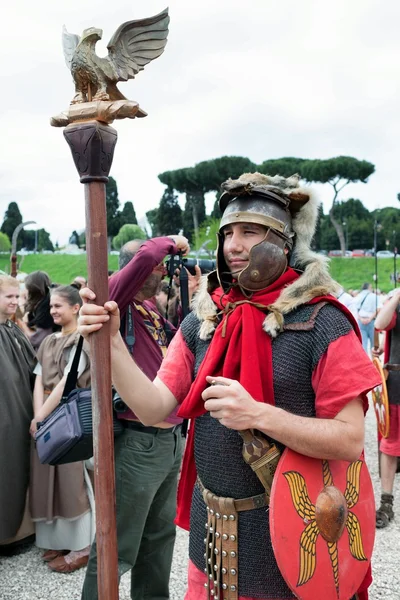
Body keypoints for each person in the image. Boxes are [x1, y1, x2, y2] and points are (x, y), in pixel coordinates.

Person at [79, 173, 380, 600]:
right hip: (213, 537)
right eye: (227, 234)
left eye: (250, 232)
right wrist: (109, 345)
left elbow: (350, 439)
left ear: (284, 240)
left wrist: (257, 414)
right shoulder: (202, 322)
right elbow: (153, 409)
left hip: (295, 538)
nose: (233, 246)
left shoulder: (322, 322)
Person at [81, 234, 192, 600]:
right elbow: (146, 254)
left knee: (159, 539)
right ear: (135, 268)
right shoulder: (116, 296)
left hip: (169, 440)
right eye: (157, 268)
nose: (161, 274)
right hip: (138, 442)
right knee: (117, 544)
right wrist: (174, 242)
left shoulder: (148, 308)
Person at [29, 285, 94, 573]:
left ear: (75, 307)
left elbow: (68, 380)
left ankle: (82, 545)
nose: (53, 310)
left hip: (69, 418)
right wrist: (37, 417)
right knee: (46, 482)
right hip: (45, 419)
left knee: (72, 483)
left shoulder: (81, 340)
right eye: (51, 306)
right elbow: (39, 382)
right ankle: (56, 538)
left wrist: (42, 417)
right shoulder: (49, 341)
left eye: (59, 306)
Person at [0, 275, 36, 553]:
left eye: (17, 297)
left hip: (20, 411)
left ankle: (16, 533)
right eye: (8, 297)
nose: (15, 302)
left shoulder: (12, 329)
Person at [373, 288, 400, 528]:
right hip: (397, 384)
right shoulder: (397, 303)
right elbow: (380, 323)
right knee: (390, 445)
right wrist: (398, 295)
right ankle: (387, 502)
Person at [22, 271, 58, 350]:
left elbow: (38, 340)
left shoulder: (46, 308)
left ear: (32, 289)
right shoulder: (41, 304)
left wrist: (23, 324)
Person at [355, 283, 379, 354]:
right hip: (372, 321)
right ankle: (374, 361)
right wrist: (370, 318)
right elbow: (378, 309)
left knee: (363, 343)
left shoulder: (358, 296)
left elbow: (355, 310)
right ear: (369, 287)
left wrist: (361, 319)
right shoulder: (374, 296)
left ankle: (365, 363)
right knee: (374, 344)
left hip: (361, 321)